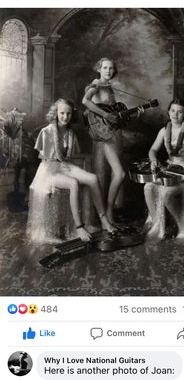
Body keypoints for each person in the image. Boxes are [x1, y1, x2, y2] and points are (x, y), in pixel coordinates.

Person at [27, 98, 115, 244]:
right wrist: (54, 176)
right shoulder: (47, 131)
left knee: (93, 178)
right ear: (56, 113)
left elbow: (70, 158)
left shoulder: (70, 132)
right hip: (49, 171)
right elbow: (45, 160)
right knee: (73, 183)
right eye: (62, 113)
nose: (65, 117)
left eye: (68, 114)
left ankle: (104, 220)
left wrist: (73, 167)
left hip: (64, 166)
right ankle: (79, 226)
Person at [144, 99, 184, 244]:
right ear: (168, 112)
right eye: (173, 110)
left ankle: (183, 226)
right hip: (170, 168)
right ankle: (157, 224)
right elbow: (152, 150)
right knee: (148, 187)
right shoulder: (164, 130)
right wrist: (154, 159)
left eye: (180, 111)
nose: (175, 114)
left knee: (166, 194)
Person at [82, 58, 126, 223]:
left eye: (111, 68)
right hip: (103, 136)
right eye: (105, 68)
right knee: (116, 173)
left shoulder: (108, 87)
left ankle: (109, 212)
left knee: (117, 173)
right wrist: (106, 115)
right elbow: (85, 101)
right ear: (99, 69)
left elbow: (111, 110)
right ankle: (106, 213)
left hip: (110, 133)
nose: (108, 71)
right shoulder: (96, 83)